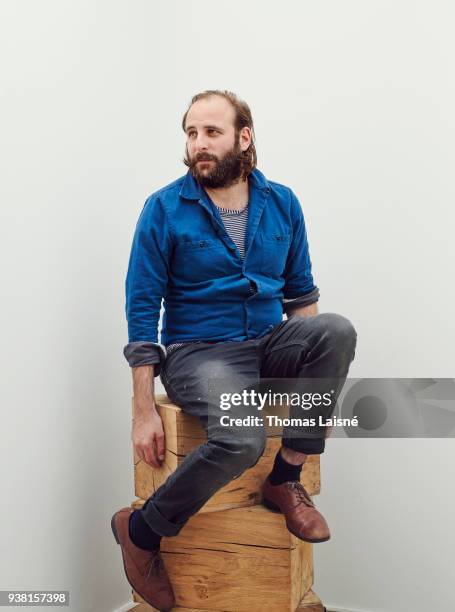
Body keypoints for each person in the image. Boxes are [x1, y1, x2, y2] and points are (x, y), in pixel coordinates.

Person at [111, 90, 357, 611]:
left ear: (244, 138)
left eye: (212, 132)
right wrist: (142, 409)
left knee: (336, 330)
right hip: (199, 353)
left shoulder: (283, 202)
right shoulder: (164, 208)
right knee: (242, 440)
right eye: (191, 133)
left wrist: (314, 392)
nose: (199, 144)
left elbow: (302, 298)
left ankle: (285, 477)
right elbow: (141, 311)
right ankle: (141, 530)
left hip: (267, 344)